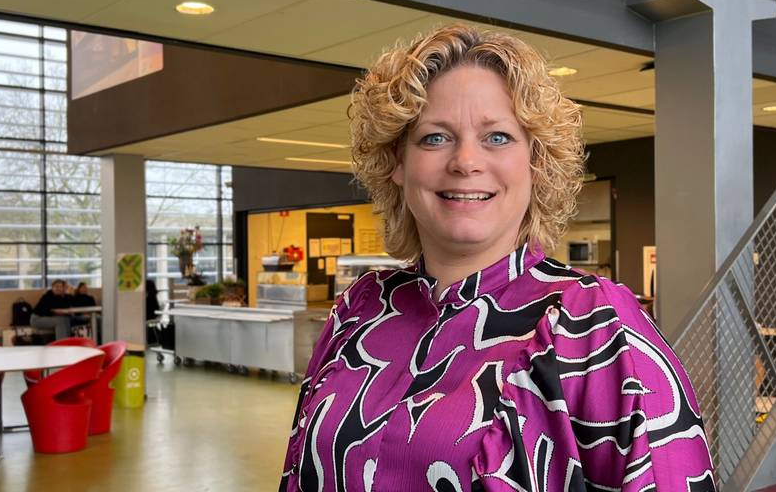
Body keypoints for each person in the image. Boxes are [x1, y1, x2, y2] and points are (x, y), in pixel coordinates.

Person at [279, 26, 713, 491]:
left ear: (536, 162)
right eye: (434, 138)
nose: (466, 161)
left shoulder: (590, 325)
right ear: (398, 164)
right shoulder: (361, 308)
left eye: (498, 137)